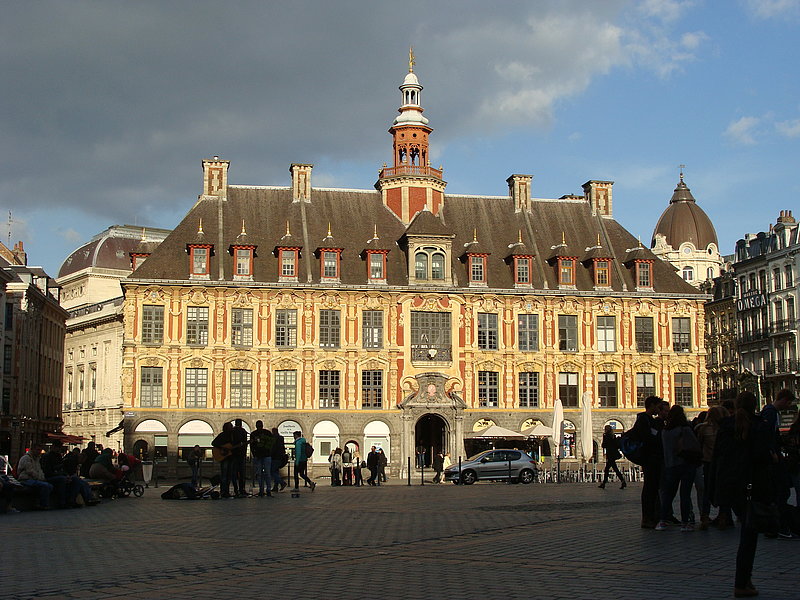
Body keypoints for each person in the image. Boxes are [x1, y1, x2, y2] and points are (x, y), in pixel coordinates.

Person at [712, 392, 774, 598]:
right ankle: (742, 582)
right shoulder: (760, 425)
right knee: (749, 535)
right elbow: (761, 457)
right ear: (755, 405)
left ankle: (744, 580)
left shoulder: (725, 426)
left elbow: (717, 457)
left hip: (729, 485)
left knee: (746, 532)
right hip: (751, 485)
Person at [656, 405, 700, 532]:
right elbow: (693, 445)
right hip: (686, 463)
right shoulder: (684, 429)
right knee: (685, 494)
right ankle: (685, 522)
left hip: (670, 465)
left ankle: (663, 520)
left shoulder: (665, 431)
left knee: (668, 495)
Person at [761, 388, 797, 538]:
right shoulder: (770, 412)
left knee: (779, 491)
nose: (787, 407)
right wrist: (773, 452)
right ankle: (778, 525)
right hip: (773, 457)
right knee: (781, 491)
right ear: (783, 400)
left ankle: (775, 525)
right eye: (788, 403)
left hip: (774, 455)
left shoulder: (770, 412)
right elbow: (767, 435)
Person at [631, 395, 664, 528]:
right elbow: (647, 437)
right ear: (651, 405)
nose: (659, 409)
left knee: (653, 488)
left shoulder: (650, 420)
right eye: (658, 406)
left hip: (653, 457)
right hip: (649, 458)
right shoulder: (644, 420)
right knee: (649, 488)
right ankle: (647, 517)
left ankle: (652, 516)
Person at [696, 405, 731, 530]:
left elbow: (699, 445)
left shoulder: (702, 428)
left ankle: (705, 516)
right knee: (722, 488)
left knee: (706, 490)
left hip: (707, 462)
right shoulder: (725, 429)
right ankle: (723, 516)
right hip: (721, 463)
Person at [16, 444, 55, 510]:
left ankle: (40, 503)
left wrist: (42, 478)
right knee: (45, 486)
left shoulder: (37, 459)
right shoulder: (26, 458)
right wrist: (40, 478)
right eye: (37, 450)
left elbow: (39, 470)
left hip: (34, 479)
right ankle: (44, 505)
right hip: (25, 479)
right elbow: (30, 471)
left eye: (40, 450)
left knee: (48, 485)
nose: (39, 452)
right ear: (32, 450)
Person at [211, 422, 236, 498]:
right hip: (224, 457)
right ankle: (223, 491)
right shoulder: (222, 435)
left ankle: (227, 491)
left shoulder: (233, 435)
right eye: (230, 426)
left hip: (230, 457)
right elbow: (213, 443)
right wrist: (223, 448)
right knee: (224, 475)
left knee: (229, 475)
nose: (232, 427)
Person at [249, 421, 273, 497]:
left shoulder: (257, 434)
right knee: (264, 473)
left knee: (264, 473)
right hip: (262, 456)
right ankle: (263, 489)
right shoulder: (255, 434)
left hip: (264, 455)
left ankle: (265, 490)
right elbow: (252, 445)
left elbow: (271, 443)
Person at [598, 425, 626, 490]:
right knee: (613, 469)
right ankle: (622, 481)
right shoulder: (613, 436)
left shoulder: (606, 436)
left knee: (608, 469)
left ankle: (604, 483)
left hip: (610, 455)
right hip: (613, 454)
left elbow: (604, 445)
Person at [231, 419, 249, 497]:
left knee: (234, 473)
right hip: (241, 455)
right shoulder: (243, 431)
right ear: (241, 424)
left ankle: (235, 490)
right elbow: (245, 444)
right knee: (242, 473)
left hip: (233, 455)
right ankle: (242, 489)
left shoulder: (232, 431)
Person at [270, 427, 288, 493]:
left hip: (275, 457)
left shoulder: (274, 438)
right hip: (280, 457)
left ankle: (282, 482)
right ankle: (275, 487)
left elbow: (273, 448)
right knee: (276, 472)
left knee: (272, 471)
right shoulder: (281, 438)